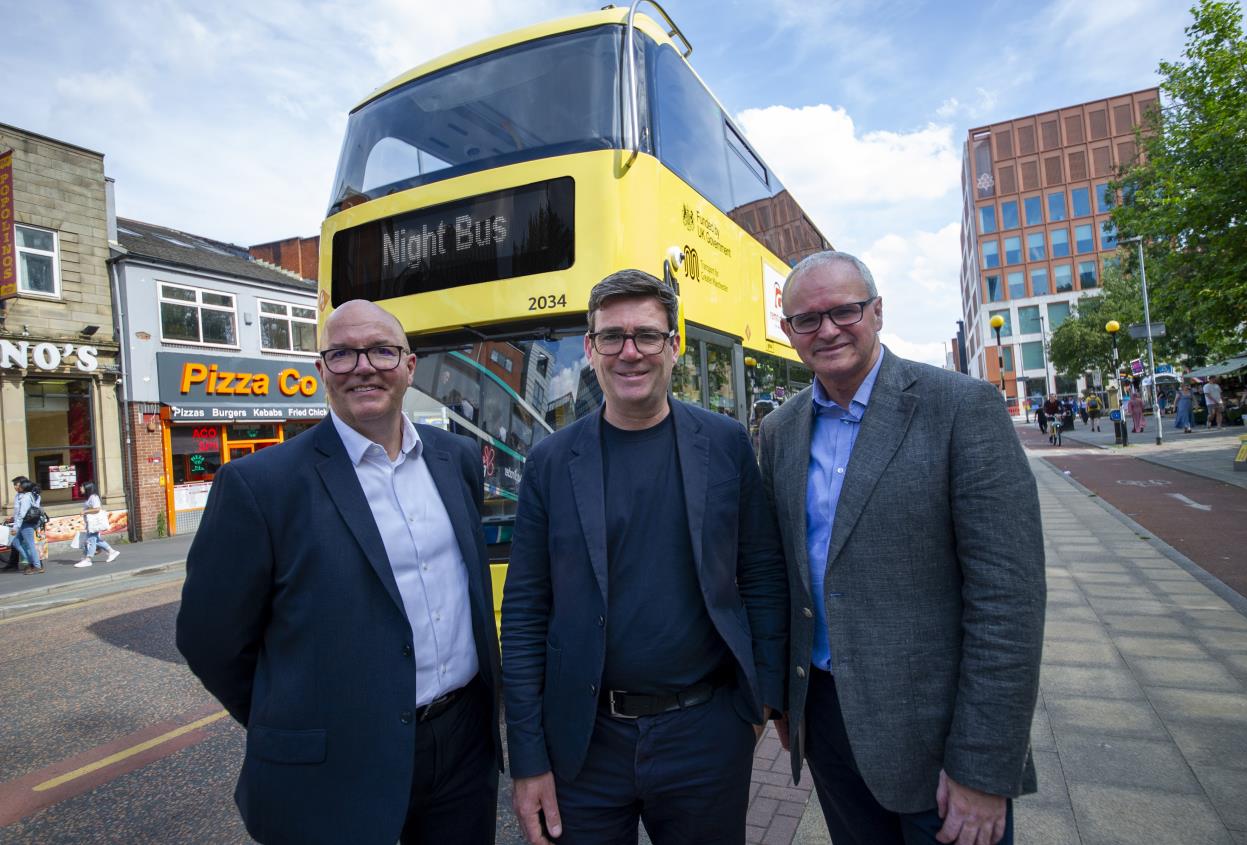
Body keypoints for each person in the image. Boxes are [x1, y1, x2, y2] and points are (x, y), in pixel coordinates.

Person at [176, 300, 502, 845]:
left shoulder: (457, 457)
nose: (363, 366)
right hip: (338, 761)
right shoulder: (260, 485)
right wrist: (300, 716)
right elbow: (210, 640)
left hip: (462, 745)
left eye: (381, 350)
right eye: (342, 354)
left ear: (409, 365)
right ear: (321, 369)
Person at [758, 252, 1045, 845]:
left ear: (878, 311)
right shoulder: (780, 431)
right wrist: (785, 700)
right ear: (788, 332)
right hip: (829, 723)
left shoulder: (962, 408)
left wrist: (984, 767)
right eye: (807, 319)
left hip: (939, 740)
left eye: (845, 310)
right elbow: (787, 574)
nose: (828, 329)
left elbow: (1008, 602)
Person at [501, 270, 788, 845]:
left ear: (674, 346)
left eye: (647, 336)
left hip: (706, 734)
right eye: (612, 336)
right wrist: (528, 758)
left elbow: (762, 573)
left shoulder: (727, 442)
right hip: (585, 742)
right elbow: (527, 612)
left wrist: (762, 702)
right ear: (590, 348)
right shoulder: (551, 463)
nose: (629, 352)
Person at [74, 481, 120, 568]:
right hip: (90, 524)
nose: (80, 488)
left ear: (87, 488)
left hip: (94, 524)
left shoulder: (94, 497)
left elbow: (97, 509)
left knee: (91, 540)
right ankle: (112, 552)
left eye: (82, 487)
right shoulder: (89, 498)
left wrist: (85, 511)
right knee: (96, 540)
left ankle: (88, 559)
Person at [11, 479, 44, 575]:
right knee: (16, 542)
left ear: (24, 487)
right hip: (27, 523)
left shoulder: (26, 497)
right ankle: (31, 562)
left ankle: (37, 566)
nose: (18, 486)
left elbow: (22, 514)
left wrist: (15, 527)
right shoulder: (30, 495)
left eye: (20, 485)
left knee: (30, 545)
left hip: (26, 524)